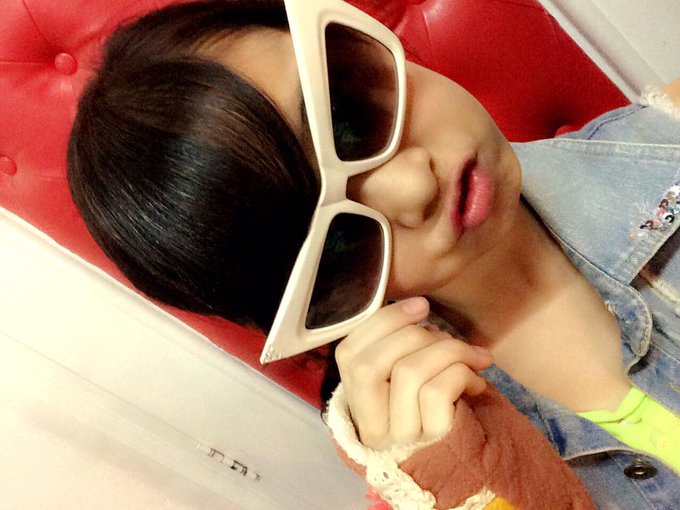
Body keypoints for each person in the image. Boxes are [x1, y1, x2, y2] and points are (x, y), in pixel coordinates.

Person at [66, 0, 680, 507]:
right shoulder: (433, 474)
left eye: (351, 118)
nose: (413, 188)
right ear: (318, 304)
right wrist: (470, 489)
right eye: (337, 239)